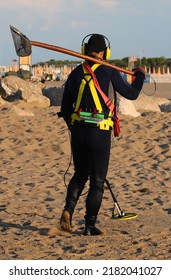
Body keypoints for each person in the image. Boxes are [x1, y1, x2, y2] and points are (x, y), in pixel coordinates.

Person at [59, 34, 145, 235]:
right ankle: (89, 226)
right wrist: (139, 76)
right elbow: (132, 94)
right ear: (106, 52)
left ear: (83, 50)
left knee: (80, 174)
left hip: (79, 132)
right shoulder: (110, 71)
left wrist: (75, 128)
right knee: (97, 181)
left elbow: (65, 109)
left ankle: (67, 210)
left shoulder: (74, 74)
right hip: (100, 133)